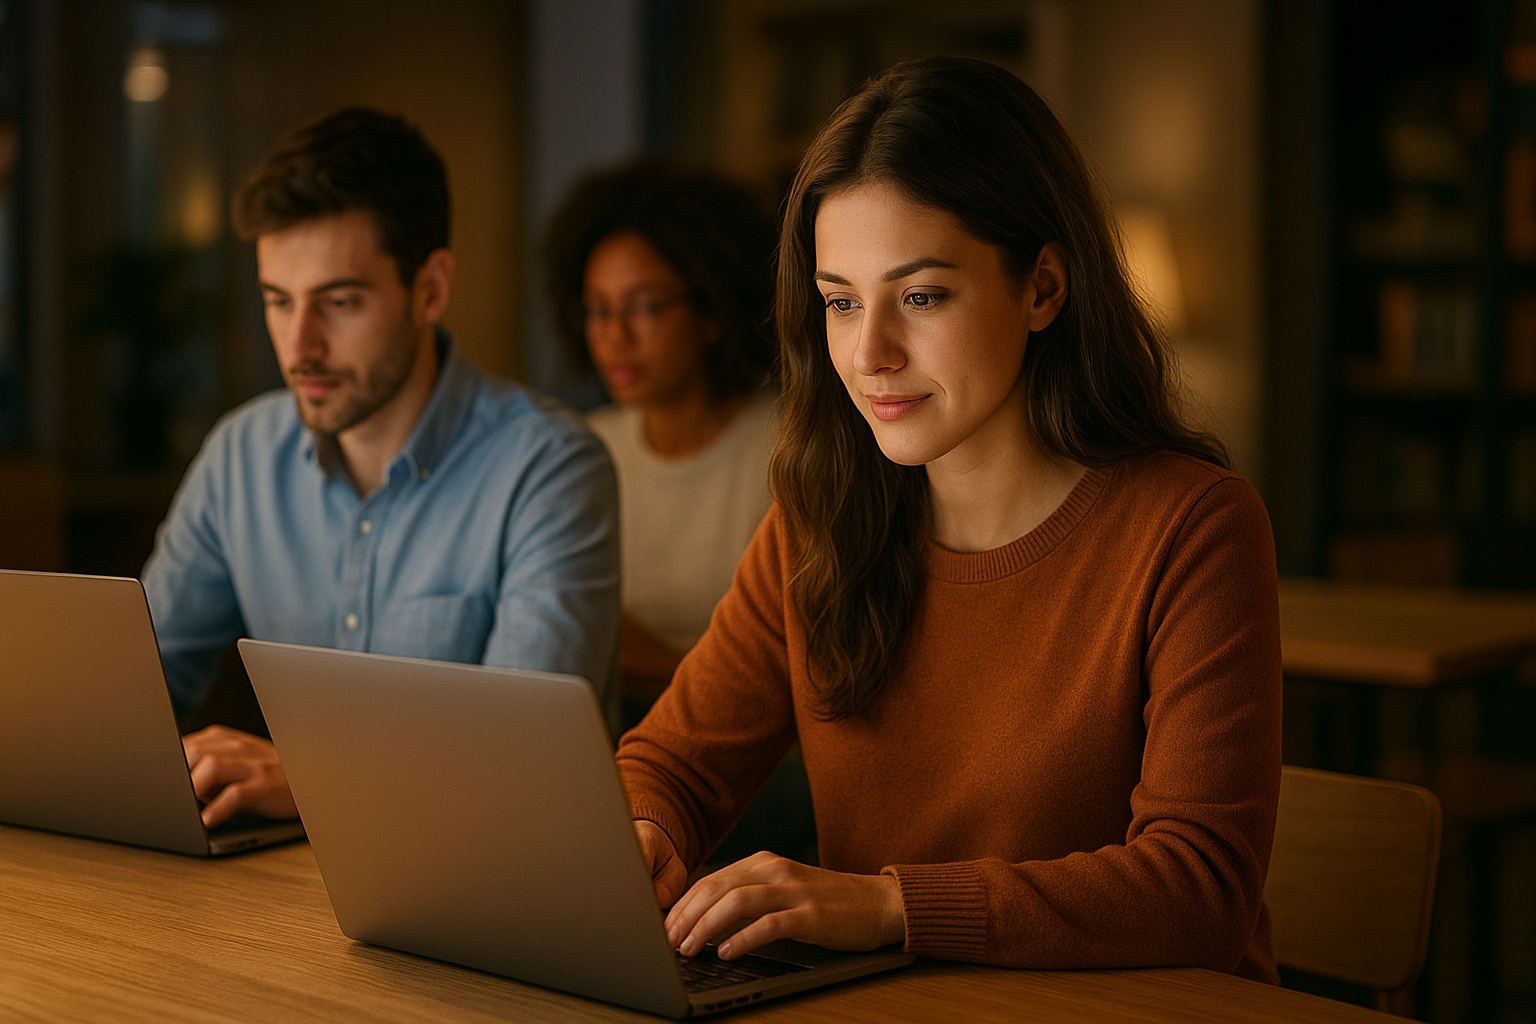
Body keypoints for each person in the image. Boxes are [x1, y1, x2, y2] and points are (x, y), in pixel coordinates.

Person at [615, 56, 1283, 982]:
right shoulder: (822, 520)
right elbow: (673, 762)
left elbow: (1199, 890)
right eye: (841, 302)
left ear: (1043, 287)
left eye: (921, 297)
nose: (869, 352)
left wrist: (892, 904)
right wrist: (646, 828)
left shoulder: (1193, 528)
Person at [143, 108, 620, 830]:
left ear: (431, 288)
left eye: (338, 302)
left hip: (491, 895)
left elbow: (523, 764)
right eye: (278, 301)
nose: (300, 345)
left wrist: (313, 777)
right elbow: (136, 699)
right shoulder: (240, 455)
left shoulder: (550, 468)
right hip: (288, 888)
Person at [543, 159, 778, 713]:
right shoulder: (578, 449)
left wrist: (657, 660)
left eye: (646, 306)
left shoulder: (788, 449)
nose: (615, 336)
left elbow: (804, 673)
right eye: (598, 310)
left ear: (711, 311)